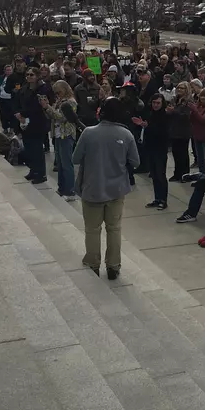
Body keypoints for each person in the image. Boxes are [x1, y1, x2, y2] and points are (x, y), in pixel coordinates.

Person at [74, 97, 139, 280]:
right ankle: (113, 265)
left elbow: (75, 158)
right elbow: (135, 161)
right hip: (117, 189)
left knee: (92, 229)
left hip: (92, 187)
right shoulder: (126, 135)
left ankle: (93, 263)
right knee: (114, 228)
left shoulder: (88, 133)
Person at [41, 80, 81, 201]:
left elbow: (63, 118)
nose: (58, 94)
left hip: (66, 134)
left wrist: (48, 107)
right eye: (56, 93)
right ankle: (61, 188)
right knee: (60, 163)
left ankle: (70, 191)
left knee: (67, 164)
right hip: (57, 134)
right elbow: (52, 116)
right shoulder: (59, 101)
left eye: (59, 92)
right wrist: (47, 107)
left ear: (65, 89)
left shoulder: (71, 102)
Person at [16, 66, 50, 184]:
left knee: (37, 149)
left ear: (37, 76)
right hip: (25, 122)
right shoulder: (25, 88)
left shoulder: (42, 89)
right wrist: (18, 114)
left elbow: (37, 106)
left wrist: (23, 114)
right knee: (28, 148)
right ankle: (33, 170)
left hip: (37, 122)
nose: (29, 77)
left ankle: (41, 174)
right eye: (27, 75)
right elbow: (19, 101)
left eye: (32, 75)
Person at [137, 94, 170, 210]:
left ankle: (163, 200)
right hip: (150, 148)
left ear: (162, 104)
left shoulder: (165, 116)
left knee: (161, 175)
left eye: (158, 103)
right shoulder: (150, 114)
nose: (155, 105)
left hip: (160, 150)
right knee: (154, 175)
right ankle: (157, 198)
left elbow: (162, 133)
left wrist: (147, 126)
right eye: (154, 102)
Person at [166, 82, 194, 181]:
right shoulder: (175, 100)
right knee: (175, 153)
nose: (179, 90)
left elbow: (186, 116)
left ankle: (184, 174)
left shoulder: (188, 101)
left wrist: (173, 111)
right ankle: (177, 173)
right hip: (174, 129)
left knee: (183, 154)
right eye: (178, 88)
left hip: (183, 130)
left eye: (182, 88)